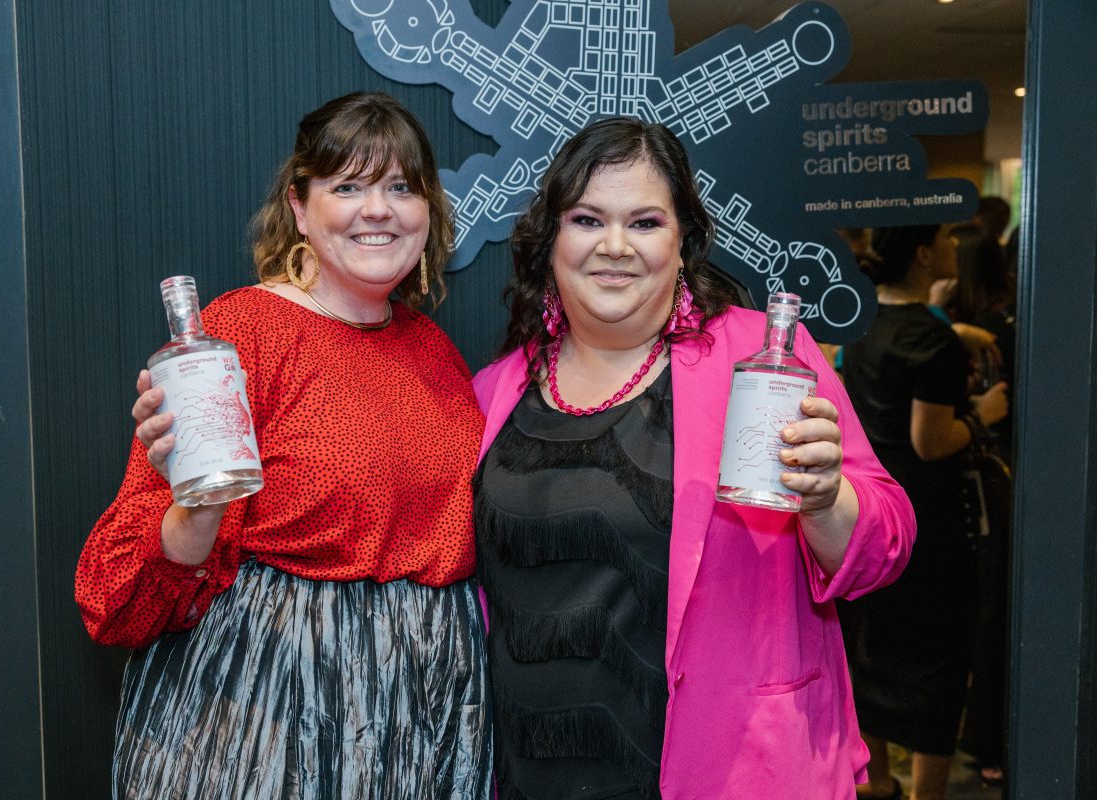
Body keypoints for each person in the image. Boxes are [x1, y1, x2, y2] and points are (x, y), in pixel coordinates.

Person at [470, 117, 916, 800]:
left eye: (645, 223)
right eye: (588, 219)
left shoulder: (762, 362)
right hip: (533, 771)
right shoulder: (496, 390)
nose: (615, 246)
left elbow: (884, 547)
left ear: (684, 243)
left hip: (728, 769)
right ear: (551, 240)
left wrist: (827, 500)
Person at [74, 92, 492, 799]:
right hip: (270, 704)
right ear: (300, 207)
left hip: (426, 703)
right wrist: (195, 506)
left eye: (401, 187)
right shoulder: (241, 333)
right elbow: (119, 600)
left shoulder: (436, 352)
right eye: (348, 186)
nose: (379, 209)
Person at [840, 225, 1009, 800]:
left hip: (870, 514)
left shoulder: (860, 326)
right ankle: (927, 794)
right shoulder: (930, 344)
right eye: (944, 240)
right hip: (931, 522)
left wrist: (951, 330)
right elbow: (931, 440)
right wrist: (984, 412)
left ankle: (880, 780)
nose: (954, 247)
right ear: (922, 254)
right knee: (938, 662)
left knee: (875, 650)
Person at [949, 223, 1016, 788]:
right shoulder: (954, 328)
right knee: (988, 612)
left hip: (962, 491)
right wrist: (980, 417)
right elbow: (929, 435)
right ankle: (981, 741)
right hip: (974, 489)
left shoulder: (952, 322)